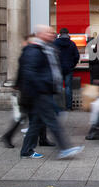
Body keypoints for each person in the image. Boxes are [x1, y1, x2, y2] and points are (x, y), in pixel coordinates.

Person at [19, 25, 84, 159]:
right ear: (40, 34)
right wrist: (43, 87)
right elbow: (29, 73)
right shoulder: (33, 50)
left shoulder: (47, 48)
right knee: (52, 121)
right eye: (49, 32)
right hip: (40, 92)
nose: (52, 34)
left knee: (36, 123)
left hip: (45, 91)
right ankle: (65, 148)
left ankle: (26, 150)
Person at [54, 28, 80, 111]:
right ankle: (69, 107)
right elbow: (77, 56)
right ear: (68, 33)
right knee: (68, 88)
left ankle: (60, 107)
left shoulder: (55, 43)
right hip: (69, 68)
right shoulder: (72, 43)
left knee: (59, 87)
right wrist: (73, 65)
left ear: (60, 34)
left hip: (58, 68)